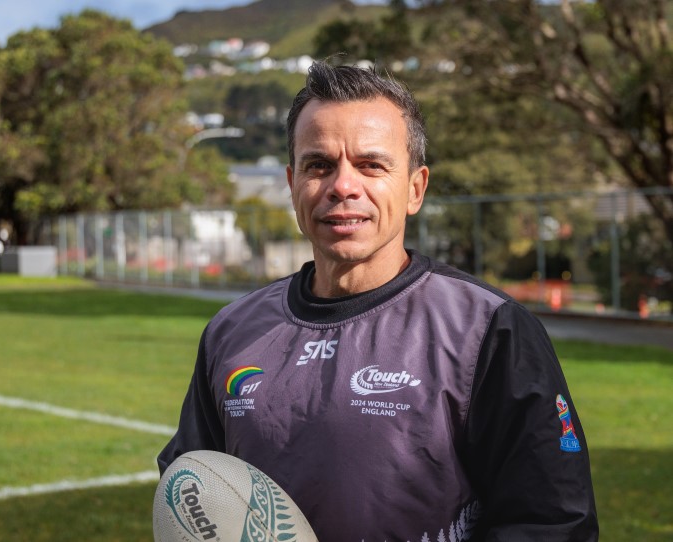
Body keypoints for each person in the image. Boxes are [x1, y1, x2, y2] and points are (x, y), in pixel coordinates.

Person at [158, 61, 598, 541]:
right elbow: (191, 486)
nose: (343, 186)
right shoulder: (232, 331)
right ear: (292, 185)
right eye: (319, 165)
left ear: (415, 188)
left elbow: (552, 523)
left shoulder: (489, 330)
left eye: (371, 165)